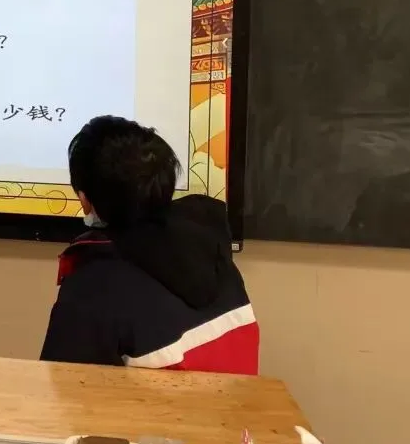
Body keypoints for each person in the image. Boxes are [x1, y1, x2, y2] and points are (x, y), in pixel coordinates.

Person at [40, 116, 259, 374]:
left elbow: (62, 387)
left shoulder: (93, 286)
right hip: (236, 400)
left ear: (84, 200)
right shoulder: (211, 248)